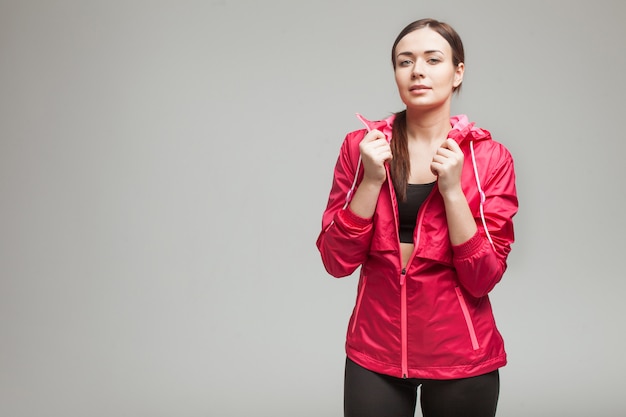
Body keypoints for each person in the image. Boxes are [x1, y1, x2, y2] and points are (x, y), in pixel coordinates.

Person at [316, 18, 518, 417]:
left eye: (432, 59)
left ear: (458, 71)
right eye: (404, 61)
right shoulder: (362, 148)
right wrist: (371, 182)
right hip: (375, 353)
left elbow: (484, 277)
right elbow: (335, 260)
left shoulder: (489, 158)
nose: (418, 71)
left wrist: (453, 191)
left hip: (461, 356)